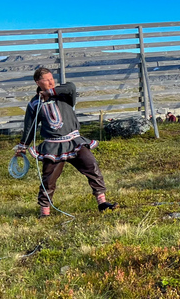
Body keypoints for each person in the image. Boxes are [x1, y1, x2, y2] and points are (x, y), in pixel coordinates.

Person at [15, 68, 118, 218]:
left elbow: (72, 87)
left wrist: (50, 93)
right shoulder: (34, 103)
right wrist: (22, 147)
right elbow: (29, 128)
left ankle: (102, 203)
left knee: (92, 167)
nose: (51, 82)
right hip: (53, 146)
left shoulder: (64, 94)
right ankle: (44, 212)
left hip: (74, 141)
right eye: (46, 80)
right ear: (37, 82)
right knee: (48, 180)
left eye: (52, 78)